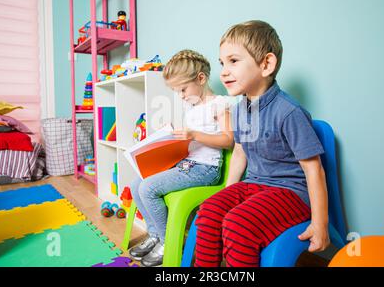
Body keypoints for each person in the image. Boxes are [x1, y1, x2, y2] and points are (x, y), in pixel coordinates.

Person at [194, 20, 330, 267]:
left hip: (291, 193)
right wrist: (228, 192)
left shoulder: (288, 112)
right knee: (209, 211)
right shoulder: (238, 111)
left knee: (237, 224)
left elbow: (314, 170)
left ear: (266, 64)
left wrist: (320, 224)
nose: (224, 71)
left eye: (233, 61)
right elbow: (239, 153)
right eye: (222, 63)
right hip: (254, 185)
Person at [128, 49, 234, 267]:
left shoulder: (219, 104)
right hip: (187, 164)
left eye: (183, 89)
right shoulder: (192, 106)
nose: (181, 96)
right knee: (137, 182)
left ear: (201, 78)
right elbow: (190, 139)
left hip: (206, 169)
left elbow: (228, 140)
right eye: (177, 92)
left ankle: (168, 243)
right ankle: (155, 234)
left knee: (148, 188)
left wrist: (194, 135)